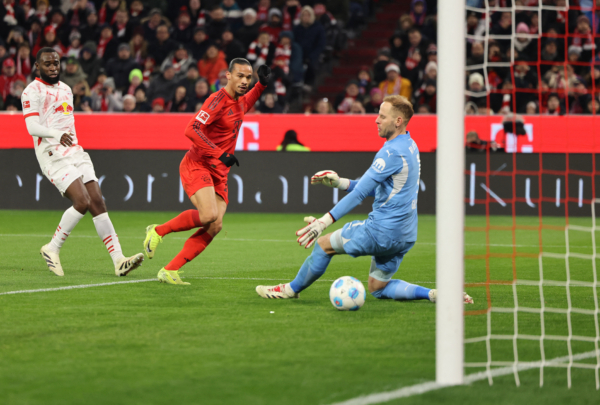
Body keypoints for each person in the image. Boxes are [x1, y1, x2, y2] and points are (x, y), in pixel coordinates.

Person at [255, 95, 474, 304]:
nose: (376, 120)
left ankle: (289, 290)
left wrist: (323, 221)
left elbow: (360, 194)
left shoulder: (390, 153)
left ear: (398, 121)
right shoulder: (410, 146)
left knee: (323, 245)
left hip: (381, 233)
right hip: (405, 235)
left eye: (382, 116)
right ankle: (435, 294)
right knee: (378, 287)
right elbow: (377, 188)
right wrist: (341, 182)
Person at [143, 59, 271, 285]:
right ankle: (158, 231)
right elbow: (191, 129)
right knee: (208, 215)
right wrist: (218, 153)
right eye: (240, 76)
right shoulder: (217, 100)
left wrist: (262, 85)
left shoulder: (240, 100)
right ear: (228, 76)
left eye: (248, 77)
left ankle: (170, 270)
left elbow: (246, 103)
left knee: (216, 224)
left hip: (220, 172)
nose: (244, 81)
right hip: (199, 164)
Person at [21, 48, 144, 277]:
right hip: (51, 153)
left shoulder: (66, 89)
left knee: (97, 202)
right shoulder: (32, 91)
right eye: (47, 63)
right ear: (37, 66)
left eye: (56, 63)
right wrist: (56, 135)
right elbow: (31, 127)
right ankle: (52, 248)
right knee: (82, 201)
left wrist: (70, 143)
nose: (53, 67)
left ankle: (118, 260)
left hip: (75, 151)